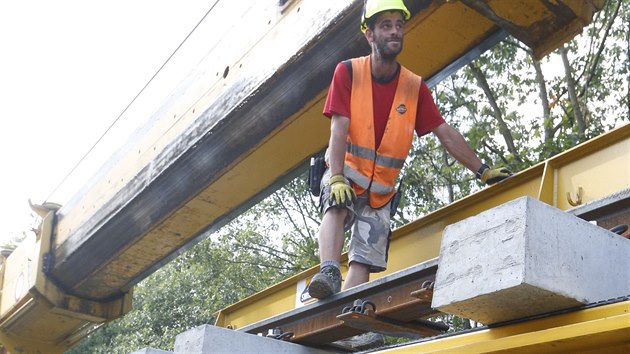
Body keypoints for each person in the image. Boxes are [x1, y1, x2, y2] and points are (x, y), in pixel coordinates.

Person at [307, 0, 512, 301]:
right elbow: (338, 128)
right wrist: (336, 176)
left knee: (364, 257)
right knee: (336, 204)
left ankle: (343, 320)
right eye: (385, 26)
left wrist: (481, 169)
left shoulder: (414, 88)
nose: (394, 32)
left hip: (381, 194)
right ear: (370, 35)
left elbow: (445, 133)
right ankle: (327, 272)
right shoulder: (348, 72)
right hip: (346, 174)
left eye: (398, 26)